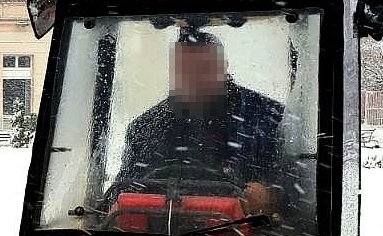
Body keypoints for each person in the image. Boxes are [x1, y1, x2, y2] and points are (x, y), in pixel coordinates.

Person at [112, 29, 285, 217]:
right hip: (157, 228)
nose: (194, 79)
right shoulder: (145, 128)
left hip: (245, 229)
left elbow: (296, 187)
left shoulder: (269, 118)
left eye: (204, 69)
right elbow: (122, 188)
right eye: (185, 71)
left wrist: (269, 196)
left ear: (223, 67)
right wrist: (118, 202)